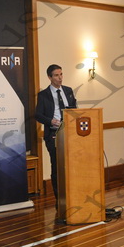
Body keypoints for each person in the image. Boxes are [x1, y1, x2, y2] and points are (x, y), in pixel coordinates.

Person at [35, 64, 77, 200]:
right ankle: (60, 198)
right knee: (57, 166)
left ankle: (72, 194)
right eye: (56, 75)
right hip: (53, 134)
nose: (60, 78)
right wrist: (51, 121)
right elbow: (38, 115)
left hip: (70, 134)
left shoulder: (68, 90)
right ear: (49, 77)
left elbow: (74, 109)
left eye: (61, 74)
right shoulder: (43, 95)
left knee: (71, 164)